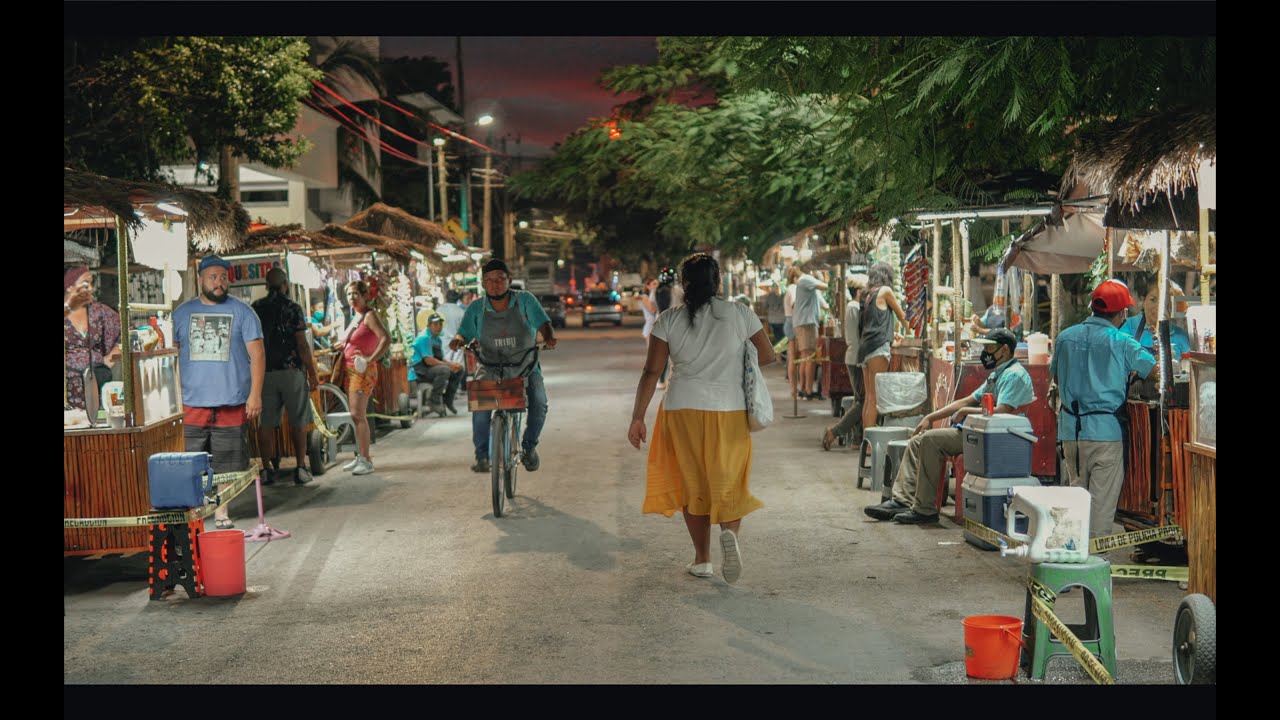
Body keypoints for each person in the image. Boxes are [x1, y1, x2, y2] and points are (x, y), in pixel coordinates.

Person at [628, 253, 776, 584]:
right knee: (729, 477)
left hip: (682, 408)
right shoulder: (739, 313)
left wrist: (638, 417)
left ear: (684, 284)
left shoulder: (668, 319)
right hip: (730, 407)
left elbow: (652, 371)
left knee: (692, 481)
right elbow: (767, 355)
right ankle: (730, 536)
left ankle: (703, 559)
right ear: (717, 282)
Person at [865, 328, 1034, 524]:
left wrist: (966, 413)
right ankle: (902, 500)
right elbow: (966, 401)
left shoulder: (1014, 375)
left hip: (999, 439)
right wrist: (930, 416)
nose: (986, 352)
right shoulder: (998, 374)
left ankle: (925, 510)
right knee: (917, 441)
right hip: (980, 433)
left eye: (990, 348)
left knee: (930, 440)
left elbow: (1003, 411)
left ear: (1004, 350)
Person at [1051, 279, 1155, 542]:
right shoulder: (1122, 342)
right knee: (1100, 510)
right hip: (1106, 436)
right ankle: (1095, 570)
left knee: (1074, 502)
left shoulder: (1064, 338)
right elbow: (1154, 370)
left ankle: (1069, 561)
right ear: (1121, 314)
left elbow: (1056, 378)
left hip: (1070, 434)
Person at [172, 255, 265, 529]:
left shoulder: (244, 312)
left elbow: (258, 355)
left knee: (229, 462)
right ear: (200, 279)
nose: (219, 282)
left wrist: (255, 394)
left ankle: (222, 510)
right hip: (191, 402)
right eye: (213, 277)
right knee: (189, 461)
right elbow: (171, 356)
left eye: (223, 277)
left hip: (232, 401)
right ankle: (194, 512)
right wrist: (174, 398)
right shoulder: (181, 314)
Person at [449, 259, 557, 474]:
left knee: (539, 402)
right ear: (482, 283)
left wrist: (549, 337)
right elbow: (465, 332)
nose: (495, 284)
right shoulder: (476, 308)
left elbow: (543, 323)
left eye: (500, 279)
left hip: (525, 366)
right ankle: (482, 456)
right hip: (490, 367)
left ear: (509, 280)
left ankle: (528, 447)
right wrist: (459, 339)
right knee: (480, 409)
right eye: (489, 280)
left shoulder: (525, 300)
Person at [252, 268, 319, 485]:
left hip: (265, 373)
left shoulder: (256, 309)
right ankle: (300, 468)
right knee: (298, 420)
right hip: (291, 372)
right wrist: (313, 373)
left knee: (266, 425)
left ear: (266, 285)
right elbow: (302, 344)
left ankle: (266, 469)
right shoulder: (293, 308)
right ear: (285, 285)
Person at [331, 280, 390, 476]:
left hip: (362, 371)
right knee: (356, 415)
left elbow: (385, 338)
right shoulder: (357, 317)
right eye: (349, 294)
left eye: (356, 293)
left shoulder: (370, 316)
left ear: (365, 295)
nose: (352, 297)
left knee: (358, 415)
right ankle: (362, 456)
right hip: (351, 370)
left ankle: (365, 460)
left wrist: (370, 358)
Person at [858, 262, 909, 438]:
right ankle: (871, 444)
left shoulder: (867, 294)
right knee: (874, 399)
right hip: (878, 348)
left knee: (869, 397)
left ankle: (867, 441)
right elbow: (902, 316)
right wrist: (910, 332)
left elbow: (876, 322)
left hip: (865, 349)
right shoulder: (886, 291)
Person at [63, 266, 123, 411]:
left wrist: (106, 363)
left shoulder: (99, 312)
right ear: (70, 287)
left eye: (91, 283)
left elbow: (125, 335)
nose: (91, 288)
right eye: (85, 284)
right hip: (67, 389)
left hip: (96, 384)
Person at [822, 273, 869, 451]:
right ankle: (835, 431)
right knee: (864, 400)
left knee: (860, 400)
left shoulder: (853, 306)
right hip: (856, 358)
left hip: (854, 356)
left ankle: (856, 439)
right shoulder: (855, 307)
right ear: (858, 291)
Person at [1120, 277, 1192, 379]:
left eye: (1165, 301)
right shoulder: (1129, 326)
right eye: (1153, 300)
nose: (1159, 306)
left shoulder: (1180, 336)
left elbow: (1188, 371)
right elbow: (1119, 360)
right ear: (1143, 300)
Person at [411, 312, 464, 417]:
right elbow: (429, 360)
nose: (438, 327)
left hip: (433, 368)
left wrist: (453, 364)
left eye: (440, 324)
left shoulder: (437, 339)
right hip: (421, 371)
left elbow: (439, 359)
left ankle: (448, 400)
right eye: (435, 324)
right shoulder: (424, 338)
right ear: (428, 326)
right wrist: (449, 366)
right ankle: (433, 401)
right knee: (445, 370)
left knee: (459, 369)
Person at [652, 268, 676, 388]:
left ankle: (661, 380)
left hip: (660, 324)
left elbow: (653, 308)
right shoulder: (676, 291)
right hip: (674, 324)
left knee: (662, 354)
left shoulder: (655, 291)